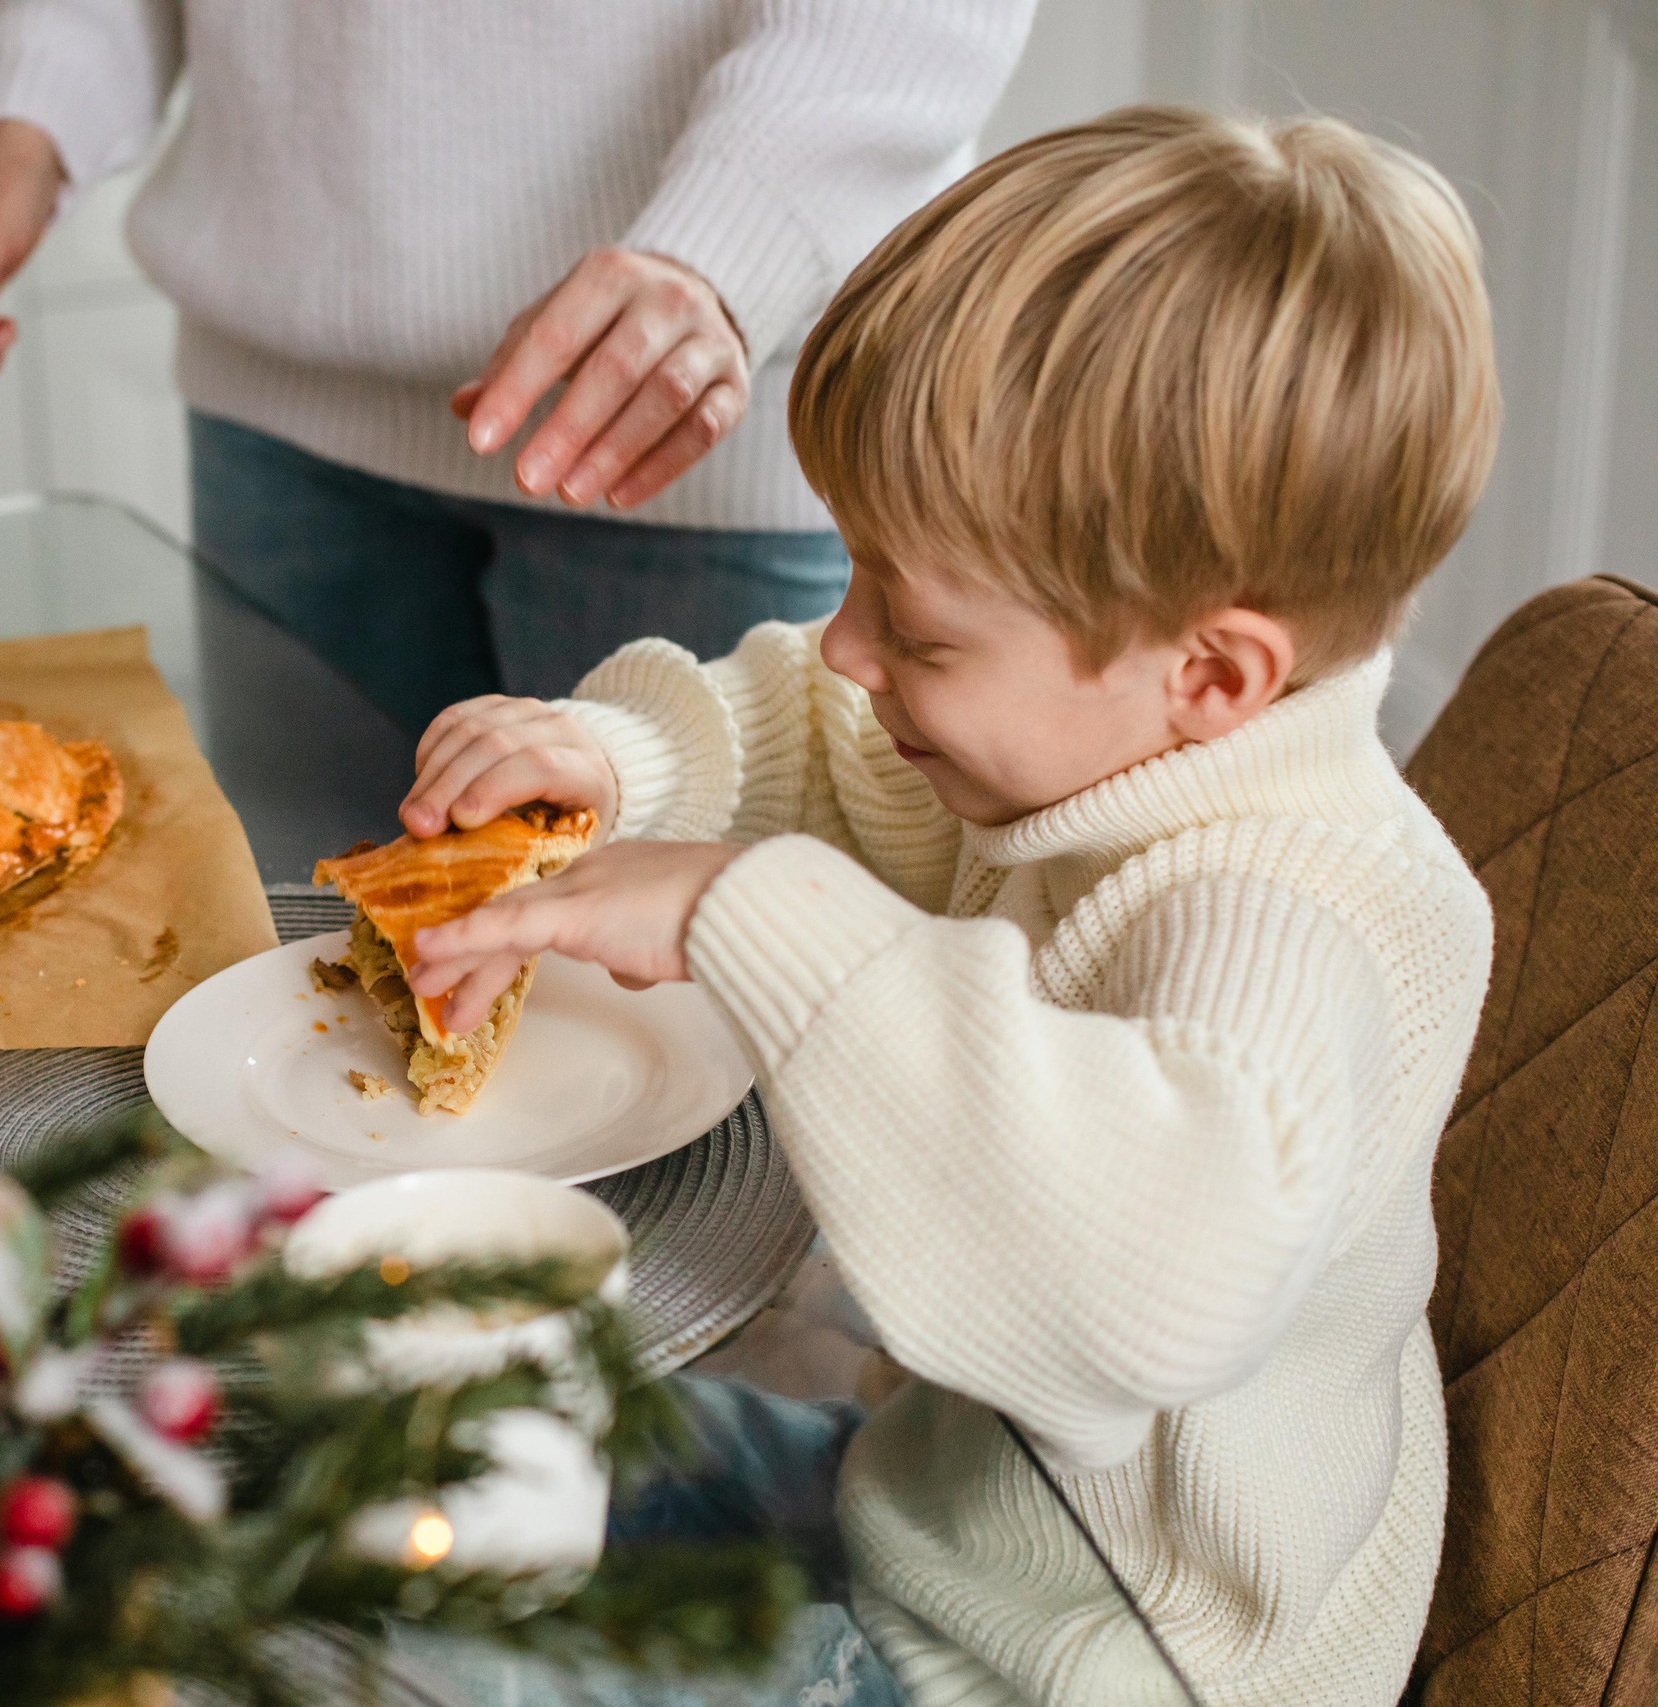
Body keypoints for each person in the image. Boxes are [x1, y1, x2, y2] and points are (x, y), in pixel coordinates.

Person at [391, 108, 1500, 1704]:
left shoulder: (1294, 908)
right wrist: (612, 766)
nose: (850, 646)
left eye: (915, 628)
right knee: (423, 1461)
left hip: (1072, 1658)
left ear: (1211, 671)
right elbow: (811, 728)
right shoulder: (1091, 749)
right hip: (939, 1508)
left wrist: (748, 912)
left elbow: (1154, 1283)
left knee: (415, 1662)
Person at [0, 5, 1035, 732]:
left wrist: (727, 246)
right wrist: (30, 126)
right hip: (279, 418)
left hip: (689, 437)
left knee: (702, 1019)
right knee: (316, 971)